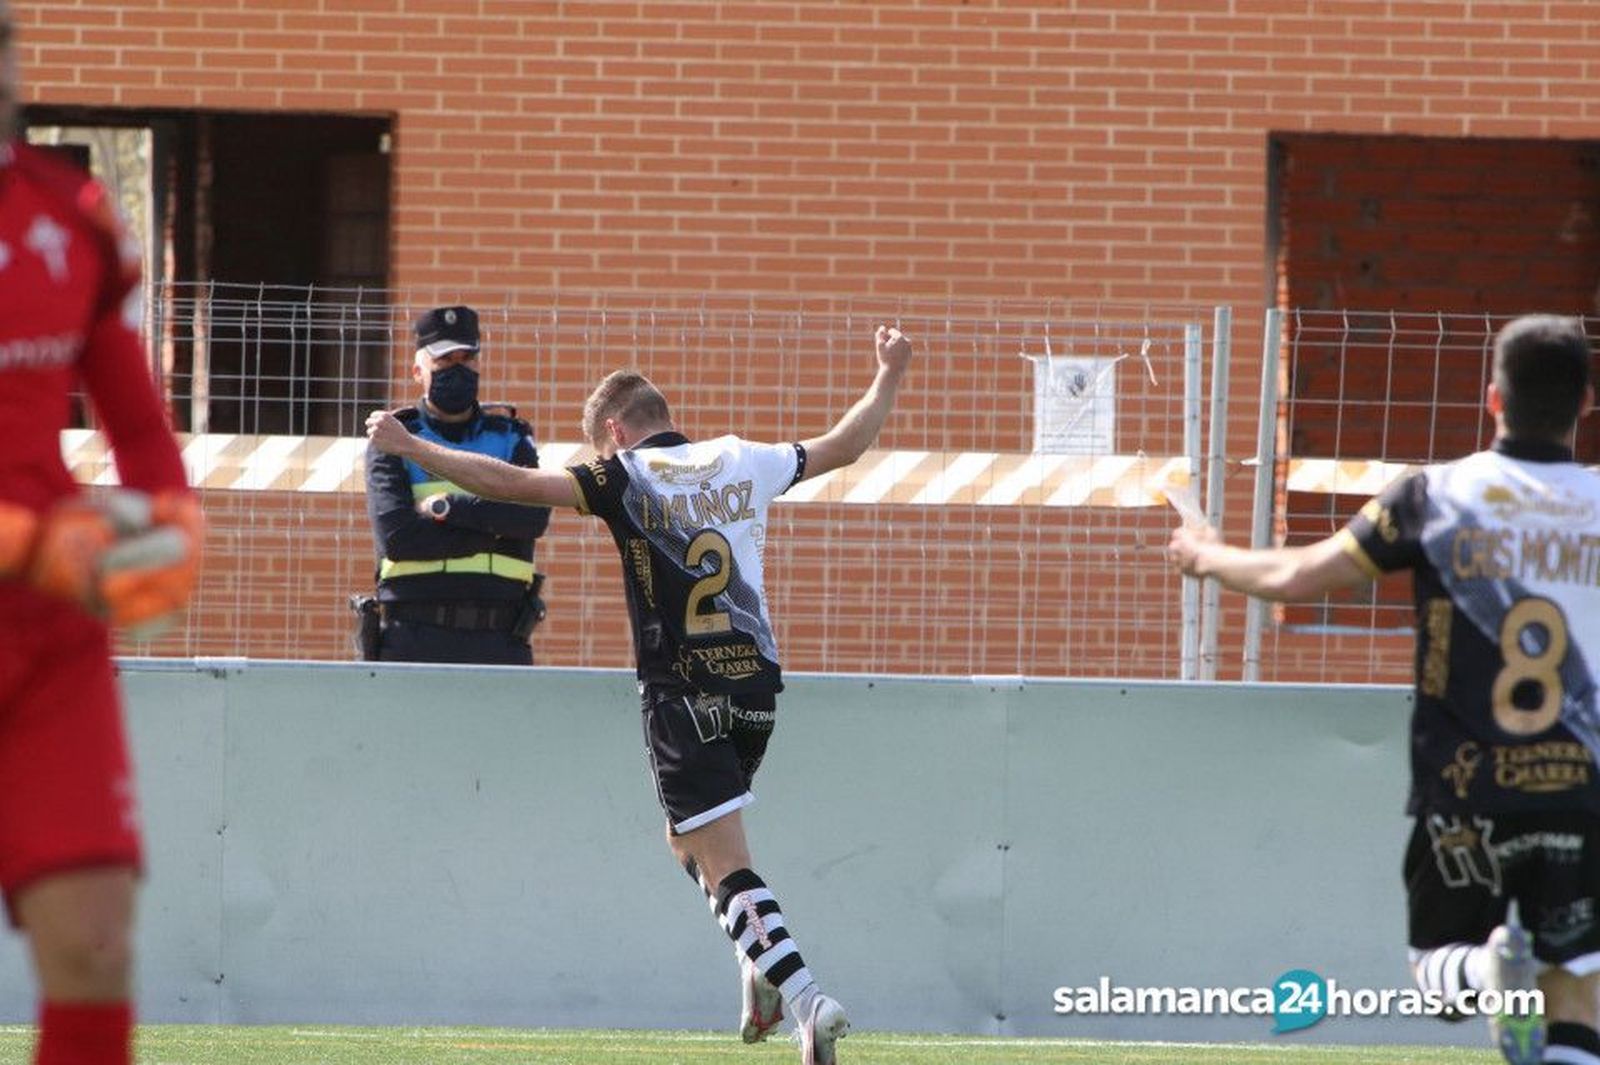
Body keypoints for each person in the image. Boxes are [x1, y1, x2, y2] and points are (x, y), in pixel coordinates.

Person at [368, 323, 914, 1064]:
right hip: (755, 687)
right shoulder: (741, 457)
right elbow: (846, 444)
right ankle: (757, 965)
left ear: (615, 432)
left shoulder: (623, 475)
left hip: (680, 690)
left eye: (599, 447)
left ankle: (808, 1000)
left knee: (726, 865)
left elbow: (512, 484)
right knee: (685, 839)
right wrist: (889, 372)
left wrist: (413, 448)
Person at [1167, 314, 1599, 1065]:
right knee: (1578, 989)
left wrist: (1208, 556)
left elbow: (1294, 578)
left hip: (1466, 788)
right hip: (1583, 789)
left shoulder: (1433, 497)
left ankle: (1485, 969)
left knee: (1439, 975)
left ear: (1492, 397)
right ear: (1587, 400)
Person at [0, 5, 204, 1062]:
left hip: (50, 642)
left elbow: (139, 432)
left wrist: (169, 537)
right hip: (38, 566)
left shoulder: (70, 216)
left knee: (94, 941)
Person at [361, 305, 550, 664]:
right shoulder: (393, 440)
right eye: (445, 362)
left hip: (501, 638)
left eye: (467, 358)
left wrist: (449, 508)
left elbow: (532, 520)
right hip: (413, 638)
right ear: (419, 371)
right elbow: (399, 540)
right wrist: (496, 535)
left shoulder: (511, 438)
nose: (458, 369)